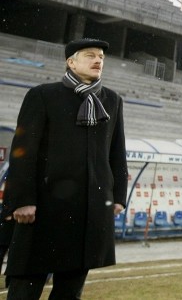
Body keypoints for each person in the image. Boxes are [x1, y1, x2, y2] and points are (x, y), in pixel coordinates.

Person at [3, 38, 129, 299]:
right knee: (25, 287)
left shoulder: (112, 100)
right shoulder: (42, 95)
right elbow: (23, 151)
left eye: (101, 57)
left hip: (87, 210)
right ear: (71, 62)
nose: (98, 60)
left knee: (70, 291)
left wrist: (117, 196)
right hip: (44, 208)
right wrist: (23, 200)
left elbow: (117, 151)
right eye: (89, 55)